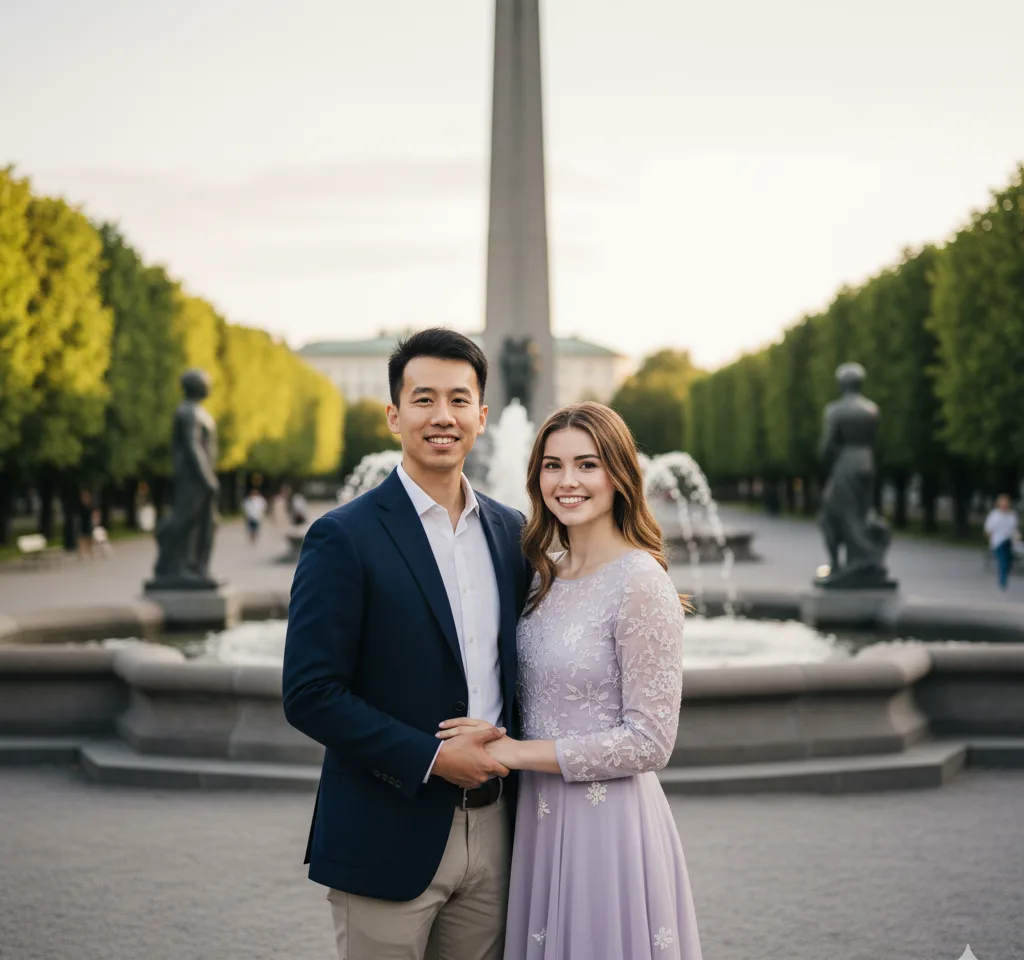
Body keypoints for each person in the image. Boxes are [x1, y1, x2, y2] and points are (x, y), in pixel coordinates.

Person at [282, 328, 531, 960]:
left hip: (500, 829)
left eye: (458, 399)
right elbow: (310, 693)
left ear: (482, 415)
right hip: (385, 827)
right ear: (395, 415)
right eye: (423, 399)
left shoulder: (511, 533)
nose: (441, 416)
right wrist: (432, 757)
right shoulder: (343, 536)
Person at [438, 402, 702, 960]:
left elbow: (652, 742)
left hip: (608, 828)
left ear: (618, 475)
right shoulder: (542, 575)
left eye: (587, 464)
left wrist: (514, 753)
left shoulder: (640, 581)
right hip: (537, 817)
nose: (568, 481)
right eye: (552, 466)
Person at [984, 494, 1019, 590]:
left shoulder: (1012, 515)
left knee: (1010, 560)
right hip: (998, 542)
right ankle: (1003, 581)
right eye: (1002, 502)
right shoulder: (994, 515)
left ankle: (1005, 574)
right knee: (1003, 561)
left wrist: (1017, 536)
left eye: (1006, 502)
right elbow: (988, 529)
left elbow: (1014, 529)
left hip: (1009, 541)